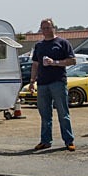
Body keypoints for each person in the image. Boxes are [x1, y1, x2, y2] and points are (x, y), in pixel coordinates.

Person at [29, 18, 77, 151]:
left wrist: (55, 62)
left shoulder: (62, 43)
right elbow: (35, 64)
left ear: (53, 28)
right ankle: (45, 141)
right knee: (45, 114)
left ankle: (69, 141)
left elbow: (72, 61)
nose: (46, 30)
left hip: (58, 82)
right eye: (43, 28)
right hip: (42, 84)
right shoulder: (39, 46)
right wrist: (32, 82)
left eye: (48, 28)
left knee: (63, 113)